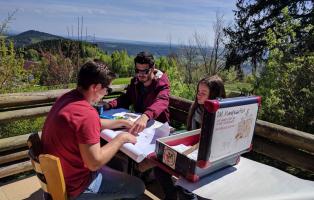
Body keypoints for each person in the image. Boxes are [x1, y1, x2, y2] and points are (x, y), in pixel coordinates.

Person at [41, 61, 145, 200]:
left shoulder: (67, 98)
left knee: (115, 168)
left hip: (60, 178)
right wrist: (121, 138)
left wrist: (120, 122)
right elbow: (94, 163)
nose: (106, 93)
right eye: (107, 89)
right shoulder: (86, 114)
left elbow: (87, 123)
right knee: (138, 186)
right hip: (77, 186)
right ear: (95, 87)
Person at [154, 75, 226, 200]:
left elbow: (211, 142)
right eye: (198, 91)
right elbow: (191, 133)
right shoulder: (198, 108)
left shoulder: (221, 115)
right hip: (193, 149)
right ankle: (171, 196)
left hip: (210, 157)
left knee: (185, 184)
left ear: (214, 95)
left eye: (203, 93)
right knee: (159, 166)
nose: (199, 95)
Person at [106, 51, 170, 135]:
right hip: (138, 125)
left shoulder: (161, 83)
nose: (140, 74)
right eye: (137, 70)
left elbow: (162, 101)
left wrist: (145, 116)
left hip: (157, 129)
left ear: (153, 68)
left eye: (145, 71)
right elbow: (126, 98)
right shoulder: (135, 82)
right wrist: (109, 105)